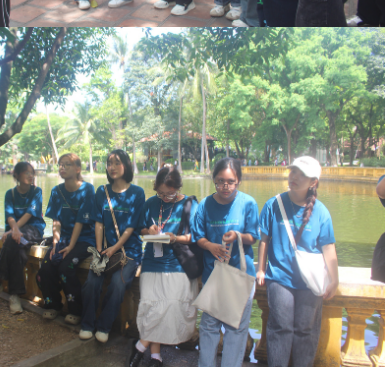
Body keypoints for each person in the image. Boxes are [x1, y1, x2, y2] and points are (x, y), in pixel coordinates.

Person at [259, 157, 338, 367]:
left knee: (306, 330)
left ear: (313, 182)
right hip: (280, 277)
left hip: (310, 280)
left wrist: (334, 279)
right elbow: (264, 240)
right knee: (280, 328)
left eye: (301, 174)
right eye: (293, 171)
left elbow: (328, 247)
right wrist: (261, 269)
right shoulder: (274, 204)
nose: (294, 176)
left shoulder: (321, 211)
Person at [194, 156, 259, 367]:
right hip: (213, 275)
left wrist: (237, 236)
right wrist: (210, 246)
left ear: (238, 180)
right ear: (214, 179)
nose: (225, 186)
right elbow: (198, 236)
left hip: (240, 275)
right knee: (209, 326)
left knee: (236, 328)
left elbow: (253, 236)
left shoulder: (248, 203)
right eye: (220, 181)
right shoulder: (205, 205)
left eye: (231, 182)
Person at [77, 149, 145, 344]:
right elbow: (98, 222)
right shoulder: (102, 191)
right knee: (92, 282)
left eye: (117, 163)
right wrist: (99, 249)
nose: (112, 167)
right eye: (109, 163)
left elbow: (131, 227)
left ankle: (104, 326)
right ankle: (87, 324)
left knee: (118, 284)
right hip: (104, 248)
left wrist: (114, 249)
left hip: (129, 251)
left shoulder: (137, 193)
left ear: (126, 165)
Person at [135, 165, 198, 361]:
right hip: (152, 262)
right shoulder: (150, 203)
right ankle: (156, 356)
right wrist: (149, 231)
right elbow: (140, 229)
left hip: (177, 264)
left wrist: (175, 238)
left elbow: (196, 236)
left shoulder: (189, 205)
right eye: (160, 193)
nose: (165, 198)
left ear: (178, 187)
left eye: (169, 194)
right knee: (152, 307)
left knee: (169, 306)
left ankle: (140, 345)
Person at [35, 153, 93, 324]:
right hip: (64, 238)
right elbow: (56, 221)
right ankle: (53, 305)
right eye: (61, 164)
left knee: (66, 267)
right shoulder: (56, 191)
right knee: (46, 268)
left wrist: (71, 246)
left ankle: (76, 310)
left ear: (78, 169)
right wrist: (55, 244)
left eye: (67, 164)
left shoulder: (87, 190)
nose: (62, 167)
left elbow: (80, 222)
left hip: (84, 239)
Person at [0, 160, 42, 313]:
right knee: (18, 250)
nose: (30, 176)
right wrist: (15, 229)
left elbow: (29, 214)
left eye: (32, 173)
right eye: (26, 173)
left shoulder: (36, 191)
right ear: (17, 175)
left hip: (33, 230)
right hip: (15, 232)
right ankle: (14, 295)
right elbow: (9, 215)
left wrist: (14, 230)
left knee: (12, 239)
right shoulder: (10, 194)